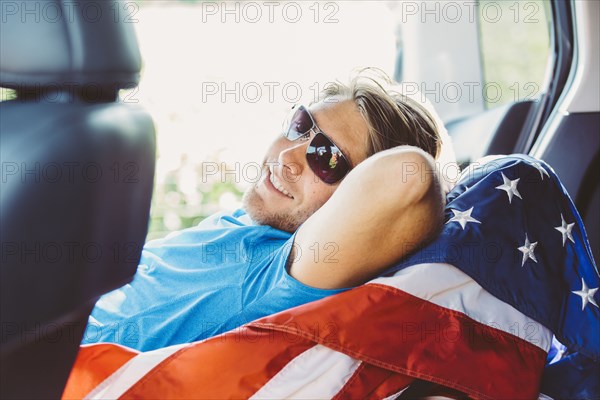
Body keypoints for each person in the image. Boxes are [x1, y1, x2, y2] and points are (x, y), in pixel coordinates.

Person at [82, 69, 455, 351]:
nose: (287, 157)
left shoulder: (289, 270)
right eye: (300, 125)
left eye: (326, 157)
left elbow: (410, 178)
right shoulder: (253, 219)